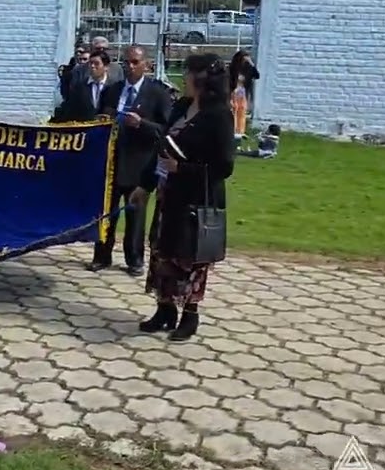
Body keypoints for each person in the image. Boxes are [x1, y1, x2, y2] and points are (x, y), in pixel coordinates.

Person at [130, 53, 236, 342]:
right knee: (162, 252)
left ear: (202, 79)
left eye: (188, 73)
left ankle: (190, 316)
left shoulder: (219, 115)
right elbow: (162, 147)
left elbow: (224, 166)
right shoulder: (182, 106)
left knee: (190, 259)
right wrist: (144, 186)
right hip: (169, 195)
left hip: (196, 200)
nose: (184, 78)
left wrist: (184, 169)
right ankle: (164, 310)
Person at [90, 45, 172, 276]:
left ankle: (134, 260)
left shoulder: (158, 94)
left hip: (140, 165)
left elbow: (166, 129)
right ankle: (102, 255)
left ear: (146, 64)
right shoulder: (113, 91)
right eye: (127, 62)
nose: (130, 66)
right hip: (112, 162)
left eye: (135, 62)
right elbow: (100, 118)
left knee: (135, 216)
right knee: (107, 212)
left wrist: (142, 124)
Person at [52, 50, 111, 123]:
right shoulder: (79, 87)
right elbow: (70, 109)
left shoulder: (113, 86)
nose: (92, 66)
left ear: (106, 67)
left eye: (96, 64)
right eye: (90, 63)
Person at [229, 50, 260, 142]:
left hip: (243, 92)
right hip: (234, 92)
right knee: (234, 110)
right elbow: (229, 79)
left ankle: (240, 131)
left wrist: (251, 63)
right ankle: (233, 131)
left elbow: (257, 75)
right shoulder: (233, 68)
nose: (245, 61)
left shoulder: (248, 68)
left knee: (242, 111)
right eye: (244, 59)